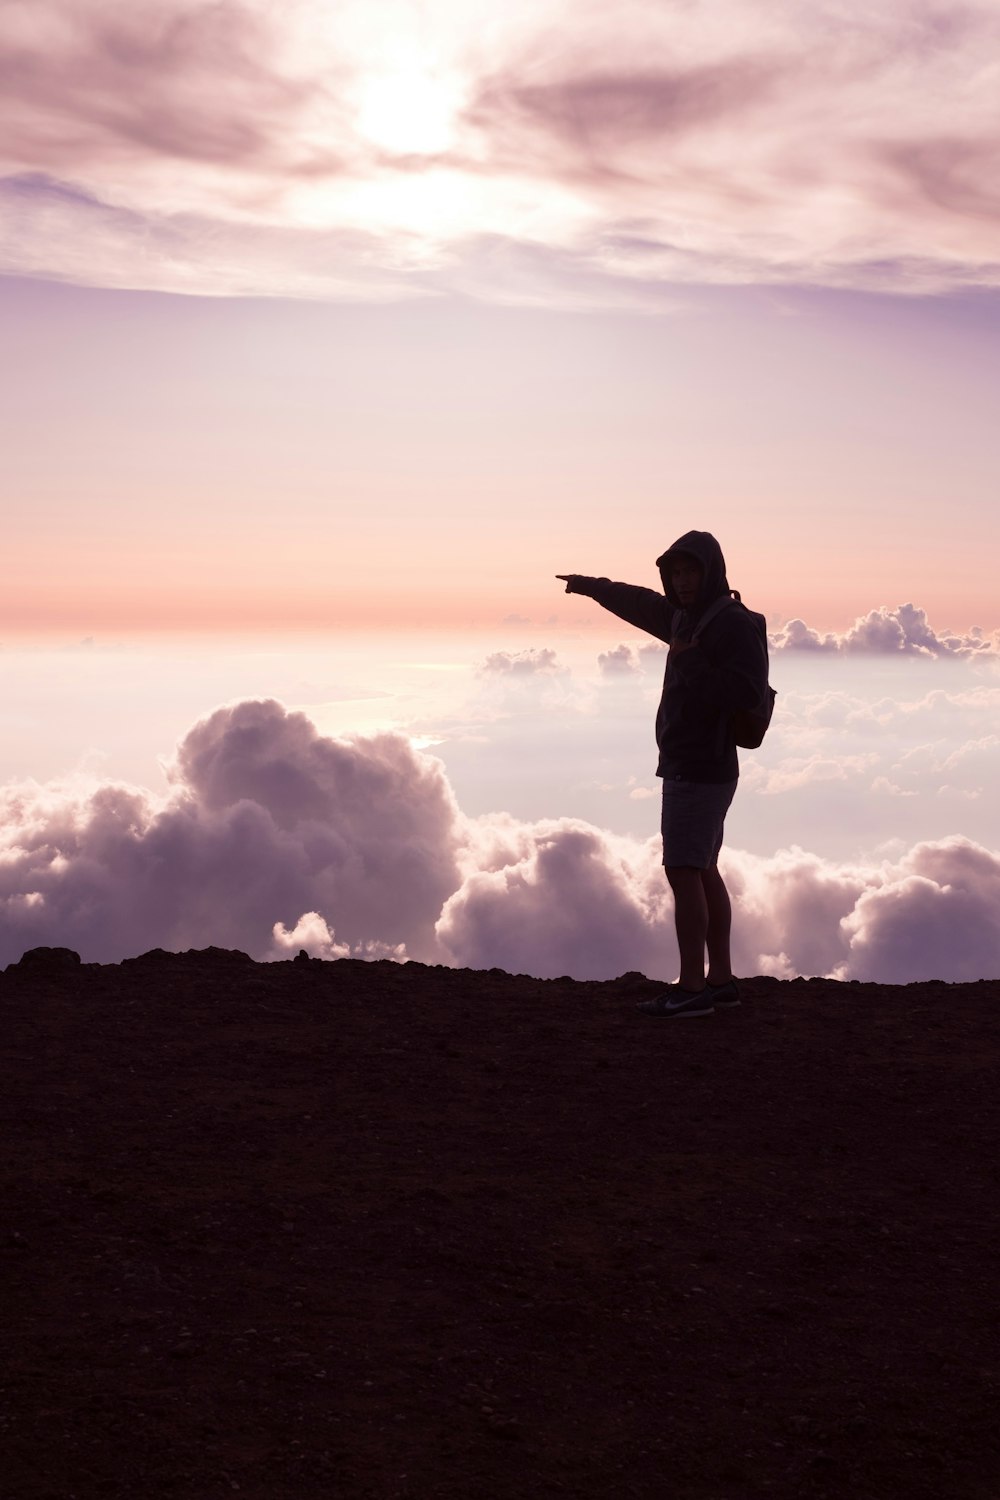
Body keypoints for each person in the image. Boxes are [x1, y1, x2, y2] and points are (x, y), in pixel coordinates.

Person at [557, 531, 769, 1018]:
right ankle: (720, 982)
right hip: (695, 763)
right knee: (702, 868)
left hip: (701, 766)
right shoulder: (684, 617)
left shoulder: (730, 624)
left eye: (691, 571)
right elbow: (639, 603)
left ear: (711, 570)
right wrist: (590, 585)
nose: (683, 580)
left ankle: (692, 989)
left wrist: (690, 661)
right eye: (676, 572)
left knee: (682, 870)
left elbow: (747, 691)